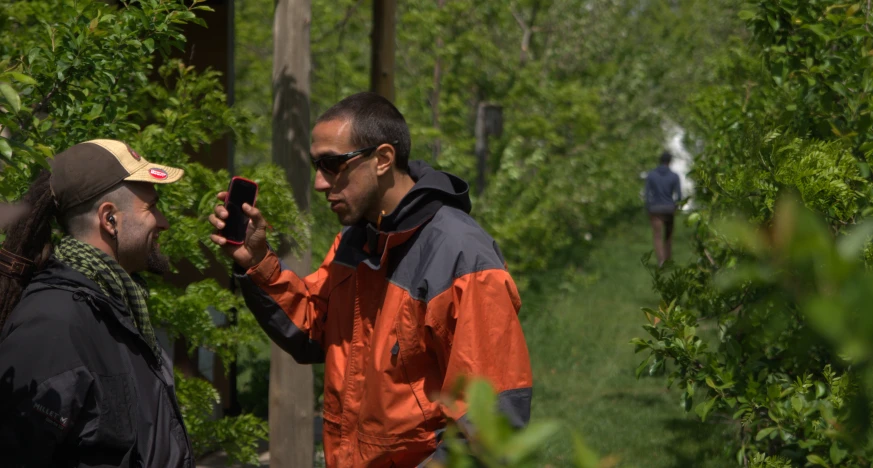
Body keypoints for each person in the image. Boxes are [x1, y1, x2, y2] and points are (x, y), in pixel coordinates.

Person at [209, 92, 533, 467]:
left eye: (332, 164)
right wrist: (257, 263)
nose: (319, 182)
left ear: (382, 159)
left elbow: (490, 421)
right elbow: (313, 329)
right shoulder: (356, 241)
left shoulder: (463, 258)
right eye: (316, 165)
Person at [0, 139, 193, 467]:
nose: (163, 222)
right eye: (151, 208)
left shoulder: (114, 308)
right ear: (110, 218)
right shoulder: (54, 325)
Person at [645, 151, 682, 267]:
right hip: (669, 208)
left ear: (660, 160)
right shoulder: (674, 176)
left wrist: (648, 207)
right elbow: (679, 195)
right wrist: (676, 207)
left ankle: (661, 261)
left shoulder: (651, 175)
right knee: (668, 236)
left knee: (657, 236)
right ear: (670, 161)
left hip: (655, 208)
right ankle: (668, 260)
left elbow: (646, 194)